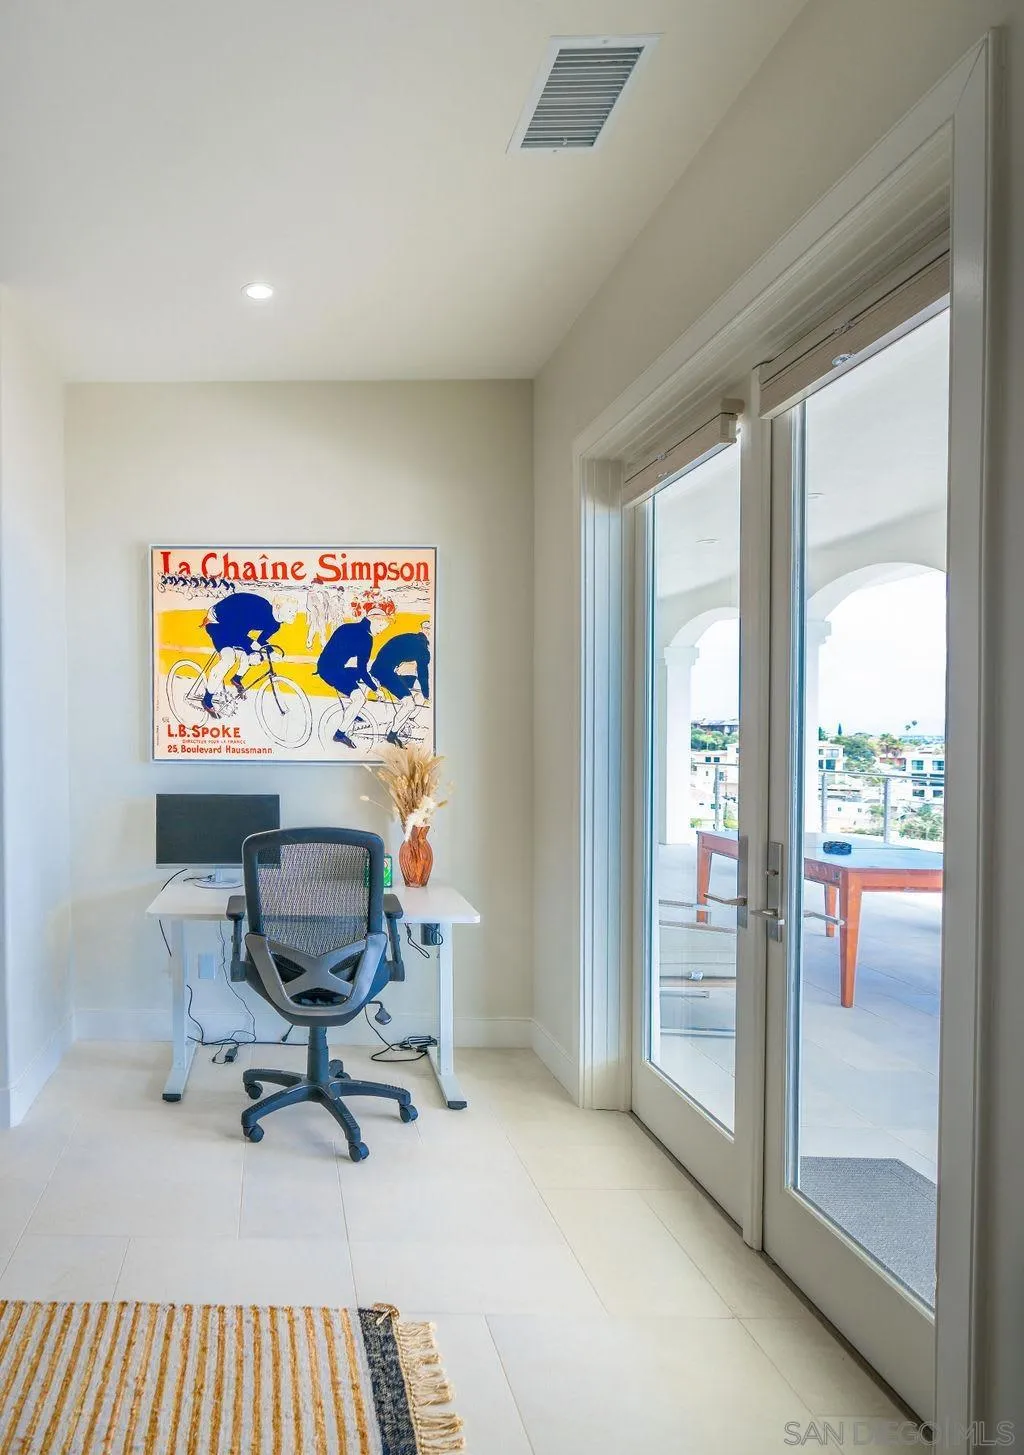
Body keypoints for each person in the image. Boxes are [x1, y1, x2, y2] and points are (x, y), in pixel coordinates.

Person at [315, 604, 391, 747]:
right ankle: (340, 734)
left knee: (367, 681)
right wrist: (376, 689)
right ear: (371, 620)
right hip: (332, 670)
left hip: (329, 666)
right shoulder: (367, 639)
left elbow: (357, 667)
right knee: (360, 698)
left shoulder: (349, 627)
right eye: (381, 625)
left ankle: (352, 711)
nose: (381, 630)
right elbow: (362, 670)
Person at [200, 591, 283, 716]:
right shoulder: (257, 612)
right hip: (219, 624)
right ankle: (207, 700)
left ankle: (236, 679)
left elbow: (261, 640)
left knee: (249, 654)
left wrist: (270, 651)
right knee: (229, 659)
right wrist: (251, 650)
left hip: (235, 626)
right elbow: (238, 633)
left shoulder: (275, 623)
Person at [371, 619, 431, 746]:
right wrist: (427, 695)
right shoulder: (423, 648)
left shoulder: (411, 637)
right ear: (427, 633)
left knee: (413, 687)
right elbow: (423, 673)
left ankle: (406, 719)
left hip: (382, 668)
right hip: (385, 672)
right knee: (410, 704)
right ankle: (392, 735)